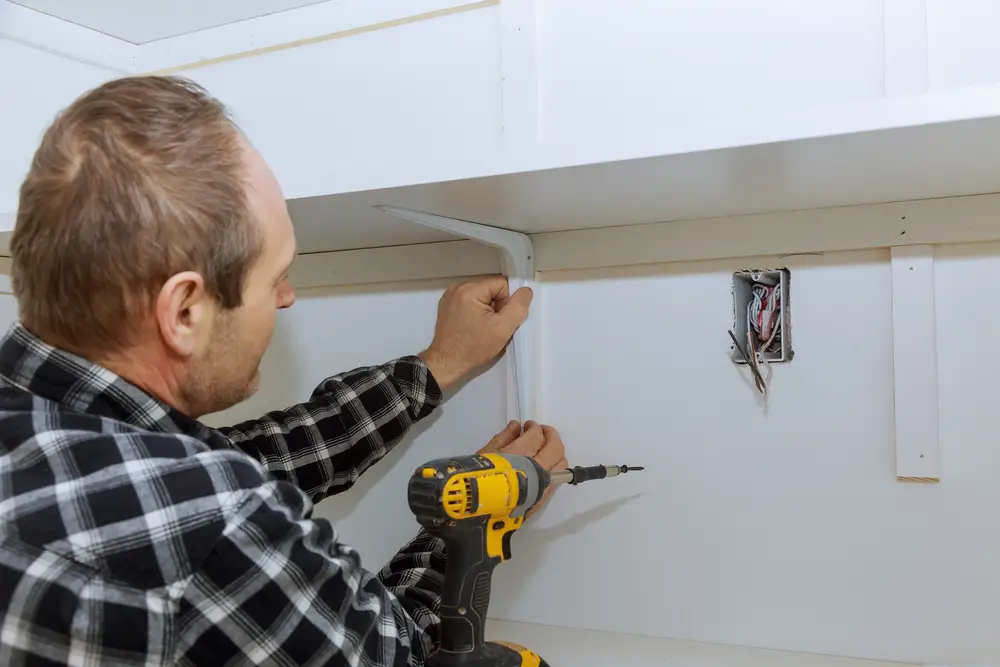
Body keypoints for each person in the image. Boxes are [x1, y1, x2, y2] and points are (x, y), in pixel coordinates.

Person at [0, 75, 568, 666]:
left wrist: (436, 368)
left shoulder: (58, 434)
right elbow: (400, 655)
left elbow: (259, 459)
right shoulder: (211, 526)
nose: (287, 297)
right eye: (273, 278)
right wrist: (469, 527)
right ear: (185, 311)